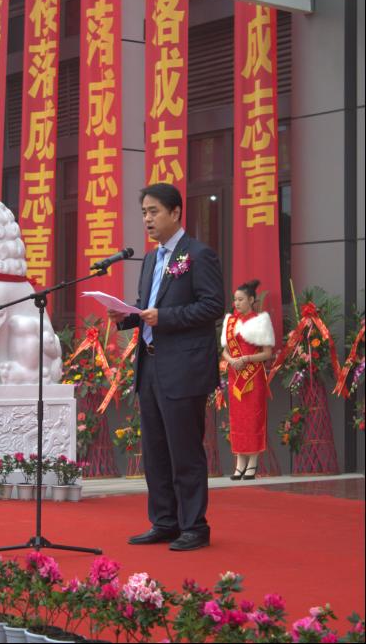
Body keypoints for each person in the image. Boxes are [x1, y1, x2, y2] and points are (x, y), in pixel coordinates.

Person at [108, 182, 225, 551]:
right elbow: (148, 306)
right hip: (150, 366)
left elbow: (212, 306)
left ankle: (195, 527)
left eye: (154, 211)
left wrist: (165, 317)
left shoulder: (199, 255)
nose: (147, 219)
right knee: (156, 450)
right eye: (144, 212)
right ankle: (165, 522)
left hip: (184, 369)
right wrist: (126, 316)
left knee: (184, 450)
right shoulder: (150, 259)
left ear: (175, 212)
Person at [221, 279, 275, 480]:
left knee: (253, 418)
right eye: (235, 299)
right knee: (238, 419)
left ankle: (252, 462)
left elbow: (267, 353)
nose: (237, 303)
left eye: (241, 299)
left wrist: (246, 359)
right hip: (235, 375)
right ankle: (239, 463)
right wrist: (231, 360)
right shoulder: (230, 322)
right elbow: (225, 351)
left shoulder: (261, 321)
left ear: (251, 300)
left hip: (253, 376)